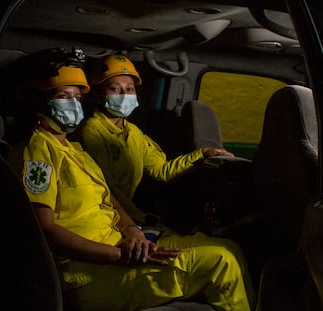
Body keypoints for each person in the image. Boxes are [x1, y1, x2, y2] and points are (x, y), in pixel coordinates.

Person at [16, 48, 251, 310]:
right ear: (39, 102)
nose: (73, 104)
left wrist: (132, 232)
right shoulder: (38, 151)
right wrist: (121, 255)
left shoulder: (74, 149)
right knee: (222, 261)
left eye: (75, 96)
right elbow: (44, 230)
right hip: (95, 274)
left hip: (119, 244)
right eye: (63, 96)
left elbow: (112, 196)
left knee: (230, 247)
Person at [77, 54, 234, 228]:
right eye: (115, 89)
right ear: (99, 95)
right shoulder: (92, 129)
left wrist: (202, 154)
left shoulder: (133, 133)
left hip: (122, 215)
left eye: (129, 89)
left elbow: (162, 170)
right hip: (101, 214)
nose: (124, 95)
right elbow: (109, 187)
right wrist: (140, 218)